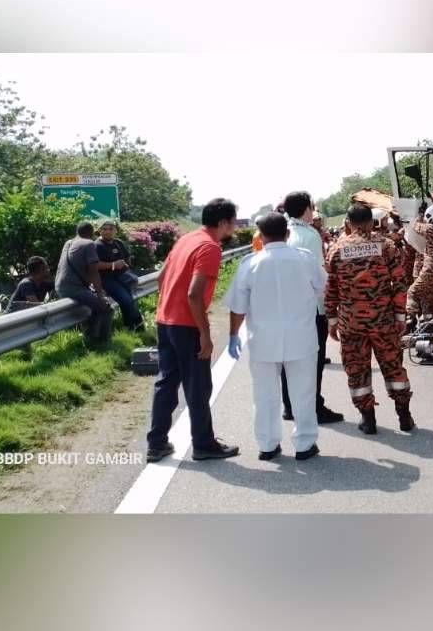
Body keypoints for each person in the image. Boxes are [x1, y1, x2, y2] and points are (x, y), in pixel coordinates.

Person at [225, 213, 327, 460]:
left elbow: (238, 307)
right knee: (303, 392)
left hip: (262, 340)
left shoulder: (250, 263)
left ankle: (268, 445)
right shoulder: (305, 259)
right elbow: (323, 289)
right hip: (301, 338)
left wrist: (232, 336)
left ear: (260, 236)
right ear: (288, 233)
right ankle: (304, 445)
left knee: (264, 395)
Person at [145, 198, 240, 463]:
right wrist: (205, 334)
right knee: (198, 387)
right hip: (187, 326)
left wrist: (167, 308)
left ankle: (157, 444)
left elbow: (160, 278)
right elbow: (194, 295)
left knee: (166, 383)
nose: (233, 228)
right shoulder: (210, 247)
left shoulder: (186, 239)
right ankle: (203, 444)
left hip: (165, 321)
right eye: (232, 223)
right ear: (222, 223)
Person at [325, 203, 414, 435]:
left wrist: (332, 320)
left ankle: (368, 419)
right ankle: (404, 415)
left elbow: (331, 288)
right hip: (384, 321)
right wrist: (400, 314)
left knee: (357, 370)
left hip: (351, 324)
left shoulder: (336, 248)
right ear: (370, 222)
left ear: (348, 223)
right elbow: (400, 282)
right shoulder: (386, 246)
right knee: (394, 366)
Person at [281, 191, 344, 424]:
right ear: (306, 209)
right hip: (310, 310)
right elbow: (319, 277)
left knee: (289, 361)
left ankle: (289, 406)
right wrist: (327, 311)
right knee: (314, 362)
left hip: (287, 309)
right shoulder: (310, 236)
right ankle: (314, 406)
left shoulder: (284, 232)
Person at [55, 221, 113, 346]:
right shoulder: (89, 244)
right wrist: (100, 294)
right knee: (106, 308)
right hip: (74, 288)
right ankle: (98, 342)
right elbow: (94, 271)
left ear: (77, 231)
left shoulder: (69, 242)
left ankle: (90, 335)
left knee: (95, 307)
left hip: (60, 286)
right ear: (91, 233)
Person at [95, 220, 145, 331]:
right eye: (104, 229)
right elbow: (94, 265)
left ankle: (136, 329)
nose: (107, 231)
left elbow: (127, 256)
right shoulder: (97, 246)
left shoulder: (118, 242)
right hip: (107, 280)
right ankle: (132, 327)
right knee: (126, 300)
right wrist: (112, 265)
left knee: (131, 301)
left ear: (115, 231)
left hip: (122, 277)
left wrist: (127, 265)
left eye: (110, 229)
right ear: (99, 231)